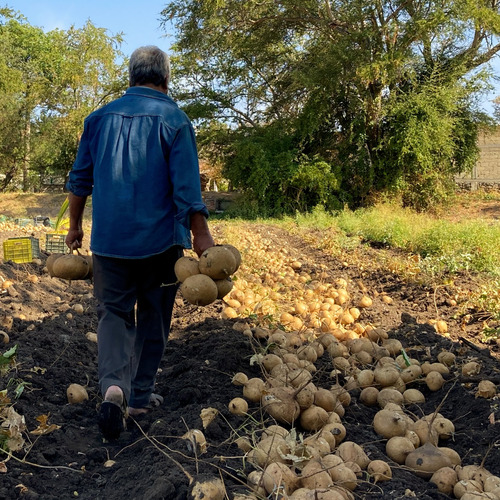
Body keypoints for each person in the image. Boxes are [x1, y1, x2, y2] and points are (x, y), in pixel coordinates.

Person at [65, 46, 215, 440]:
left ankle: (114, 386)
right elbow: (187, 189)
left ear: (131, 77)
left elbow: (80, 179)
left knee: (112, 314)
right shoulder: (176, 120)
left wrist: (75, 226)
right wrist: (202, 237)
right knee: (153, 315)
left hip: (110, 242)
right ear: (166, 80)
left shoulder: (97, 119)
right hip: (161, 243)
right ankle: (140, 395)